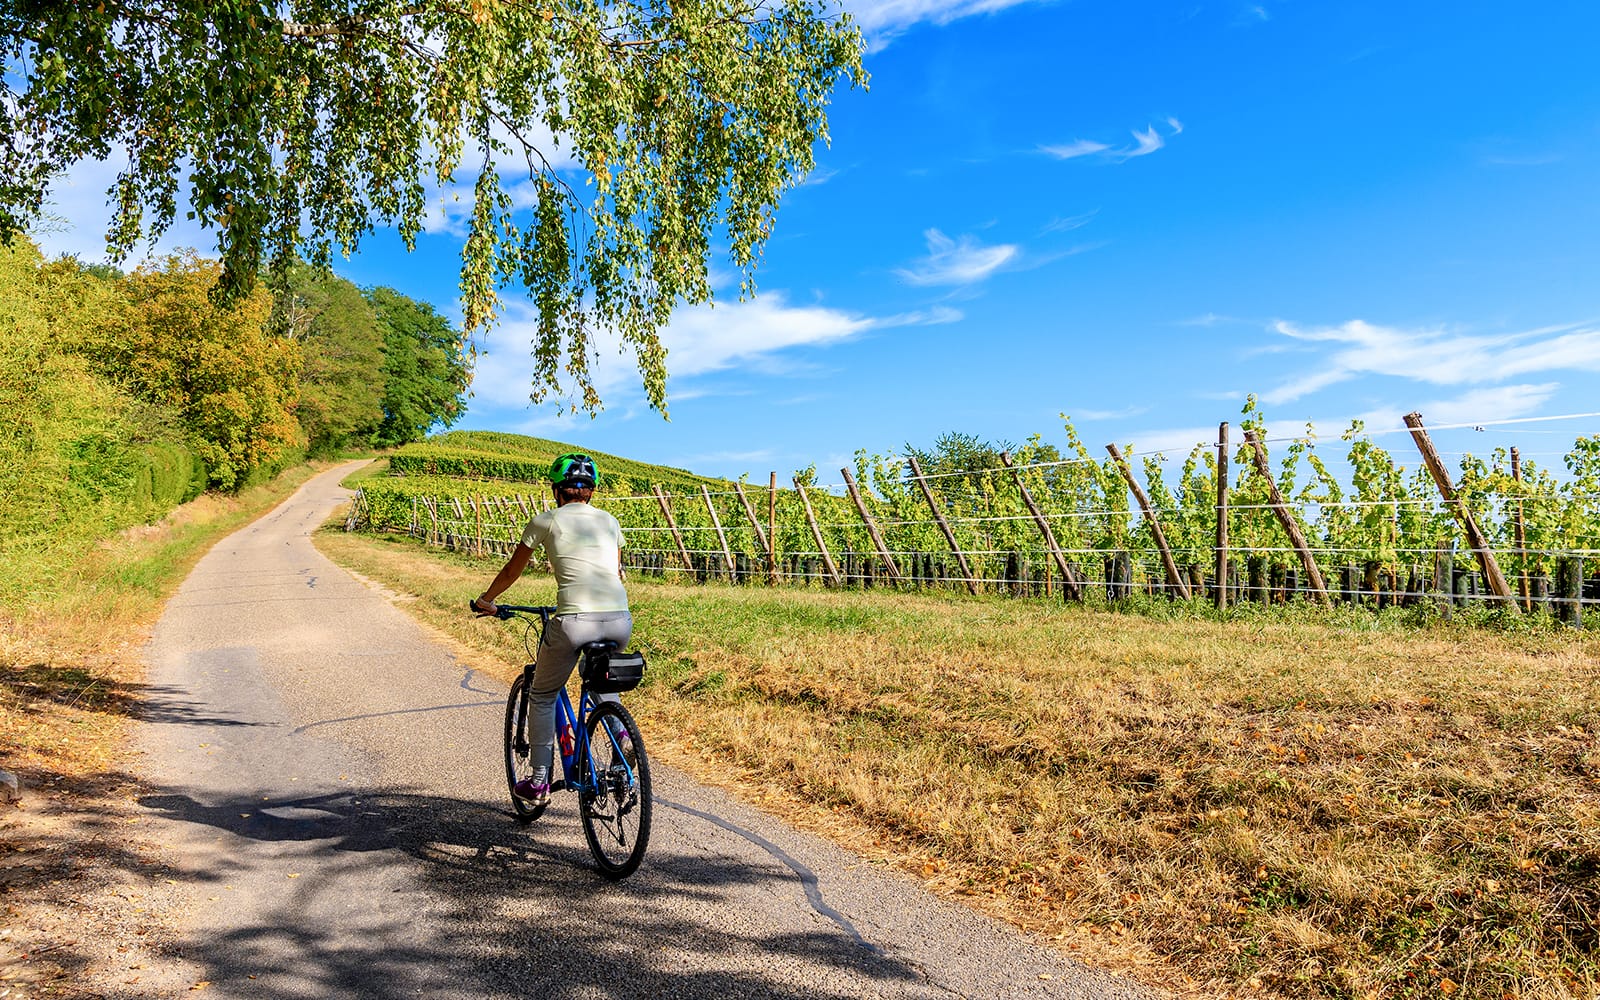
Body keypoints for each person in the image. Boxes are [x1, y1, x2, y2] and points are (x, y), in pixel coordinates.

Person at [472, 453, 630, 804]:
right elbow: (615, 571)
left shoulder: (546, 520)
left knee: (542, 695)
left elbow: (512, 571)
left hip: (574, 620)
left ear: (557, 490)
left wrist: (487, 600)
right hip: (620, 619)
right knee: (601, 681)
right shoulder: (609, 521)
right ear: (591, 492)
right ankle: (622, 738)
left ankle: (539, 781)